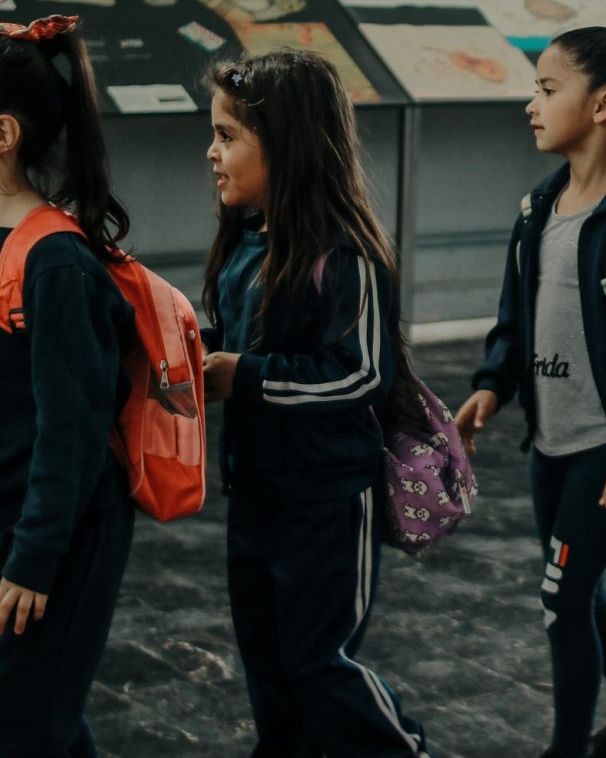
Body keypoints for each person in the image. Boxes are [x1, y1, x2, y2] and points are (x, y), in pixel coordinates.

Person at [457, 17, 606, 758]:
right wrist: (494, 382)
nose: (532, 103)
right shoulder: (537, 210)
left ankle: (568, 750)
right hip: (548, 443)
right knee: (573, 588)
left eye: (547, 88)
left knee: (562, 596)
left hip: (602, 450)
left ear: (604, 105)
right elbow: (515, 315)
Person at [0, 16, 138, 757]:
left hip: (60, 532)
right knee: (32, 715)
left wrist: (34, 559)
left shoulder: (55, 265)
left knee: (17, 720)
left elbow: (71, 436)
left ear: (0, 133)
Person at [199, 48, 429, 758]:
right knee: (268, 663)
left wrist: (247, 377)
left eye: (229, 136)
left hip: (327, 499)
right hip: (258, 494)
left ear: (290, 145)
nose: (212, 152)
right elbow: (239, 338)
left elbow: (359, 373)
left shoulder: (345, 254)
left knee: (318, 663)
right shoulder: (247, 243)